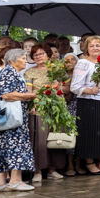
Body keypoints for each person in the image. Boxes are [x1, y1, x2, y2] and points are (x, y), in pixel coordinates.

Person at [0, 49, 37, 192]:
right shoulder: (9, 73)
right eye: (23, 58)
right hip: (12, 120)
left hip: (5, 118)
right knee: (16, 147)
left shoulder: (6, 73)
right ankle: (15, 181)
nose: (25, 61)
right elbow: (7, 95)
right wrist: (31, 96)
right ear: (12, 60)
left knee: (2, 148)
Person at [70, 35, 100, 175]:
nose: (95, 48)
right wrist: (89, 90)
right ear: (87, 49)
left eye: (98, 45)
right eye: (92, 46)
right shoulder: (83, 63)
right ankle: (89, 162)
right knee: (91, 134)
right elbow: (74, 86)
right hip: (90, 102)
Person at [23, 44, 66, 181]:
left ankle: (53, 169)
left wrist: (59, 87)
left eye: (41, 53)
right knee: (39, 142)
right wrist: (34, 102)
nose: (38, 56)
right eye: (35, 55)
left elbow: (67, 87)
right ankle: (38, 171)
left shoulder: (57, 69)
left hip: (57, 108)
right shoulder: (29, 72)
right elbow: (28, 92)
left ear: (48, 55)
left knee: (55, 139)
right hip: (38, 108)